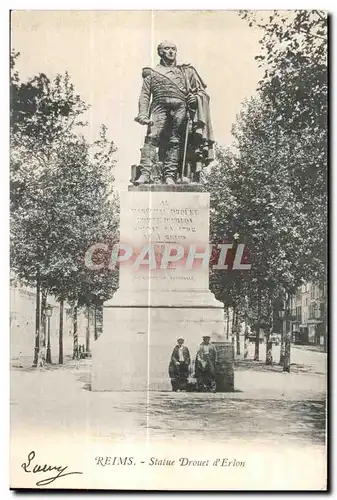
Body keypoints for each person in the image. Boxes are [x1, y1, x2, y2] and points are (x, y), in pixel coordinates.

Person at [134, 40, 214, 185]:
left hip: (180, 107)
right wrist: (143, 114)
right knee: (152, 137)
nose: (171, 51)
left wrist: (194, 99)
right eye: (167, 49)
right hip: (159, 105)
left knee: (175, 140)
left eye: (173, 49)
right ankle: (145, 173)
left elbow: (200, 92)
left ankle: (169, 175)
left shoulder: (184, 72)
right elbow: (145, 95)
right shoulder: (151, 73)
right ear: (160, 52)